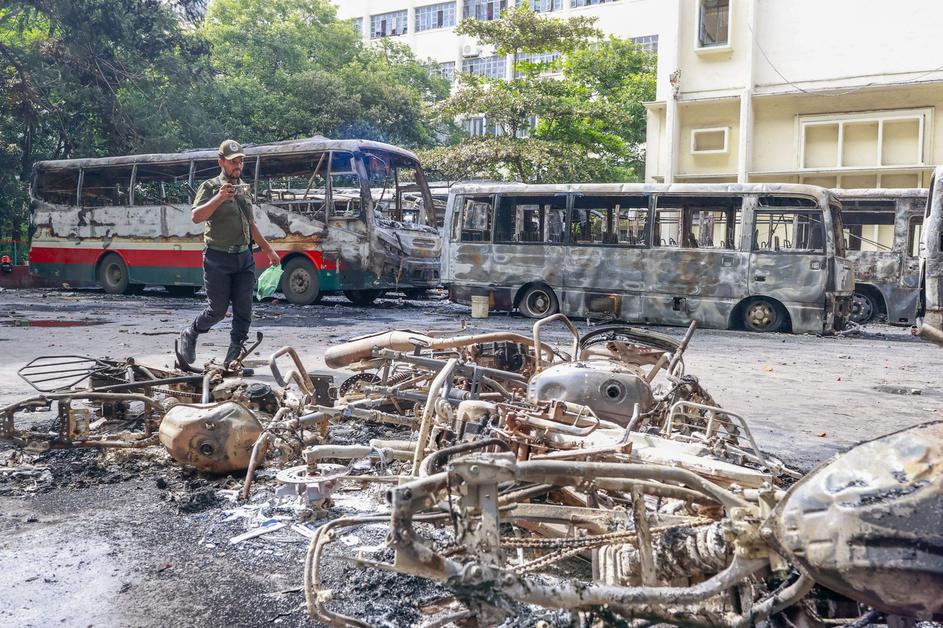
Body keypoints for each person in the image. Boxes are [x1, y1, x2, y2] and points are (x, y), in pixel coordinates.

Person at [177, 139, 280, 366]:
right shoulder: (211, 187)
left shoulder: (244, 189)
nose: (238, 165)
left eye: (241, 161)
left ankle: (232, 361)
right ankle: (191, 332)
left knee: (244, 311)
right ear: (221, 162)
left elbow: (251, 224)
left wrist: (269, 250)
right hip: (217, 258)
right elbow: (196, 217)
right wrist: (220, 197)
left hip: (244, 257)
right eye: (233, 161)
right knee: (218, 310)